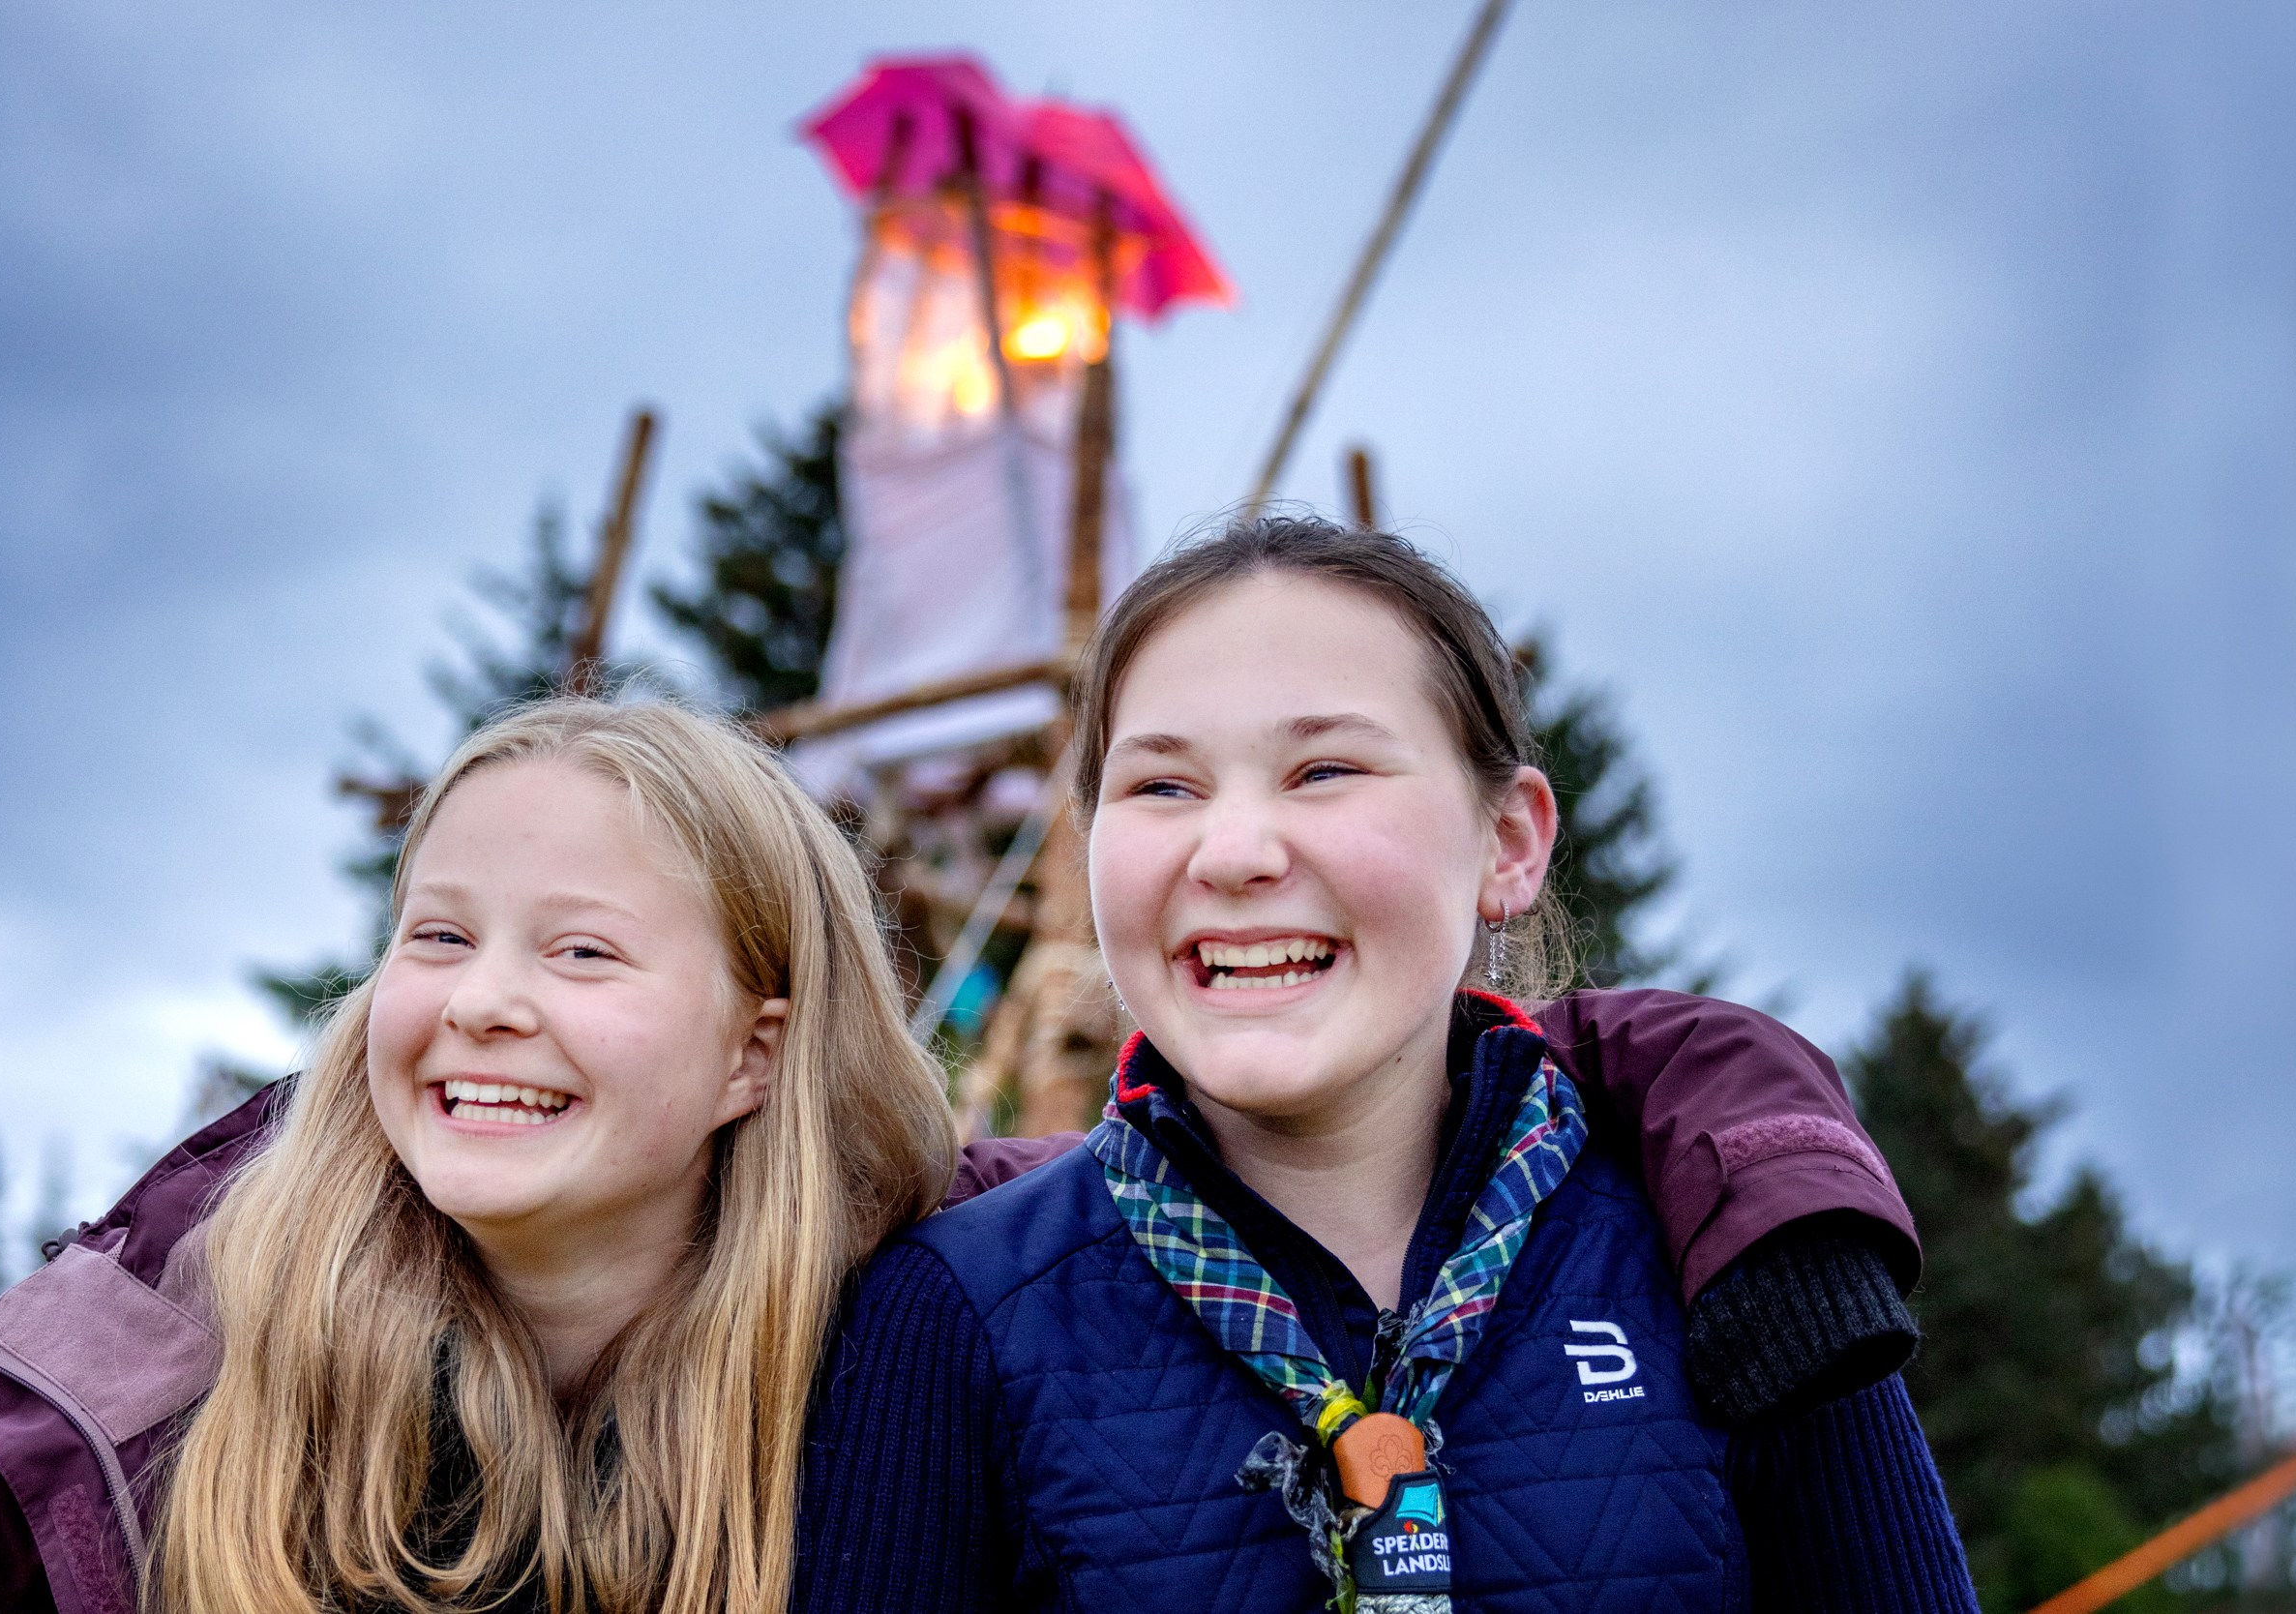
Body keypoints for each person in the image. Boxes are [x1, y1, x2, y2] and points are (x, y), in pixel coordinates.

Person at [0, 687, 1917, 1612]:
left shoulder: (939, 1293)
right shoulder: (153, 1366)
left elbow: (1467, 1057)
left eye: (581, 952)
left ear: (756, 1050)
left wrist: (1767, 1155)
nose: (483, 1001)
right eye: (435, 938)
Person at [795, 517, 1980, 1612]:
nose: (1234, 851)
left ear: (1506, 842)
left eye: (1325, 770)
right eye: (1161, 785)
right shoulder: (950, 1311)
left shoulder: (1727, 1260)